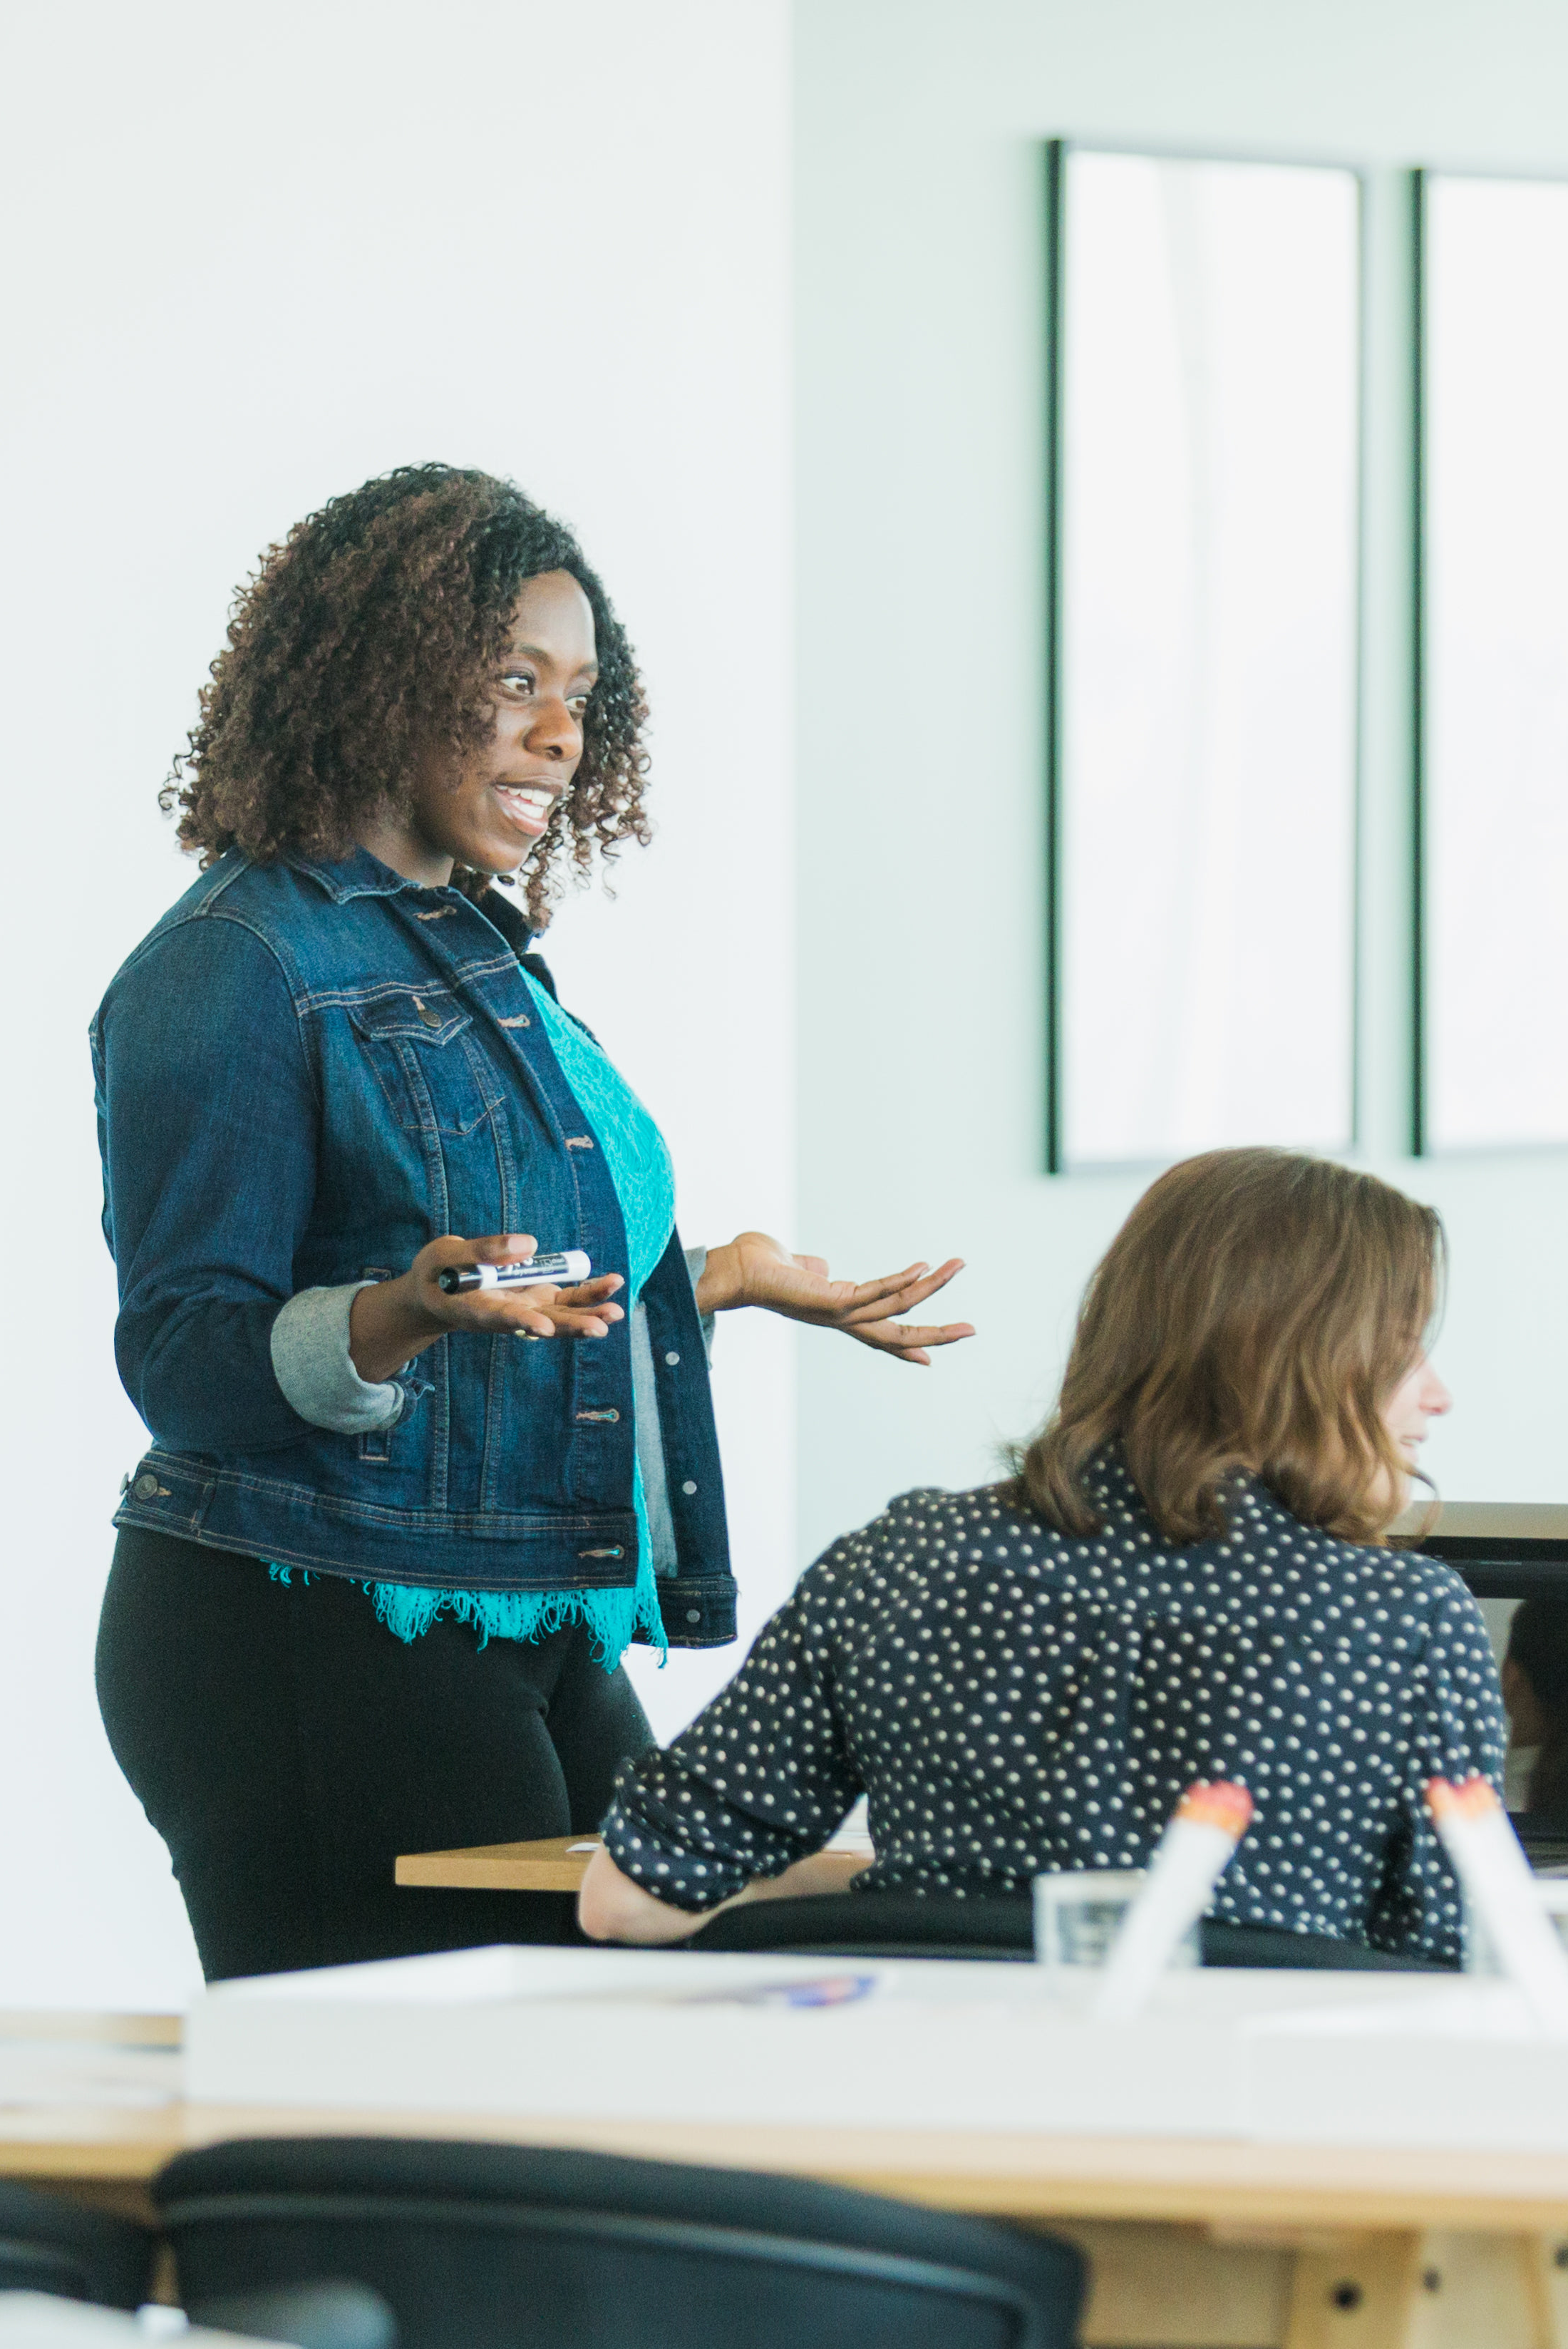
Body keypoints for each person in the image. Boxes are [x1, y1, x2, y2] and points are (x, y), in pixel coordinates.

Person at [95, 465, 970, 1982]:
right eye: (514, 684)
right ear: (384, 677)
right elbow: (185, 1355)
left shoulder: (465, 950)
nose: (563, 735)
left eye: (580, 692)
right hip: (309, 1626)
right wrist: (394, 1314)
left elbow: (505, 1283)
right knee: (431, 2123)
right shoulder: (231, 965)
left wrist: (705, 1282)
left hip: (511, 1603)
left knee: (627, 2004)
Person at [576, 1148, 1511, 1964]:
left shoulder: (904, 1560)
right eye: (1406, 1352)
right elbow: (1453, 1961)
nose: (1438, 1395)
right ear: (1300, 1357)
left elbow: (624, 1900)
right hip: (1239, 2126)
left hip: (927, 2124)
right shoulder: (1403, 1617)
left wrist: (896, 1915)